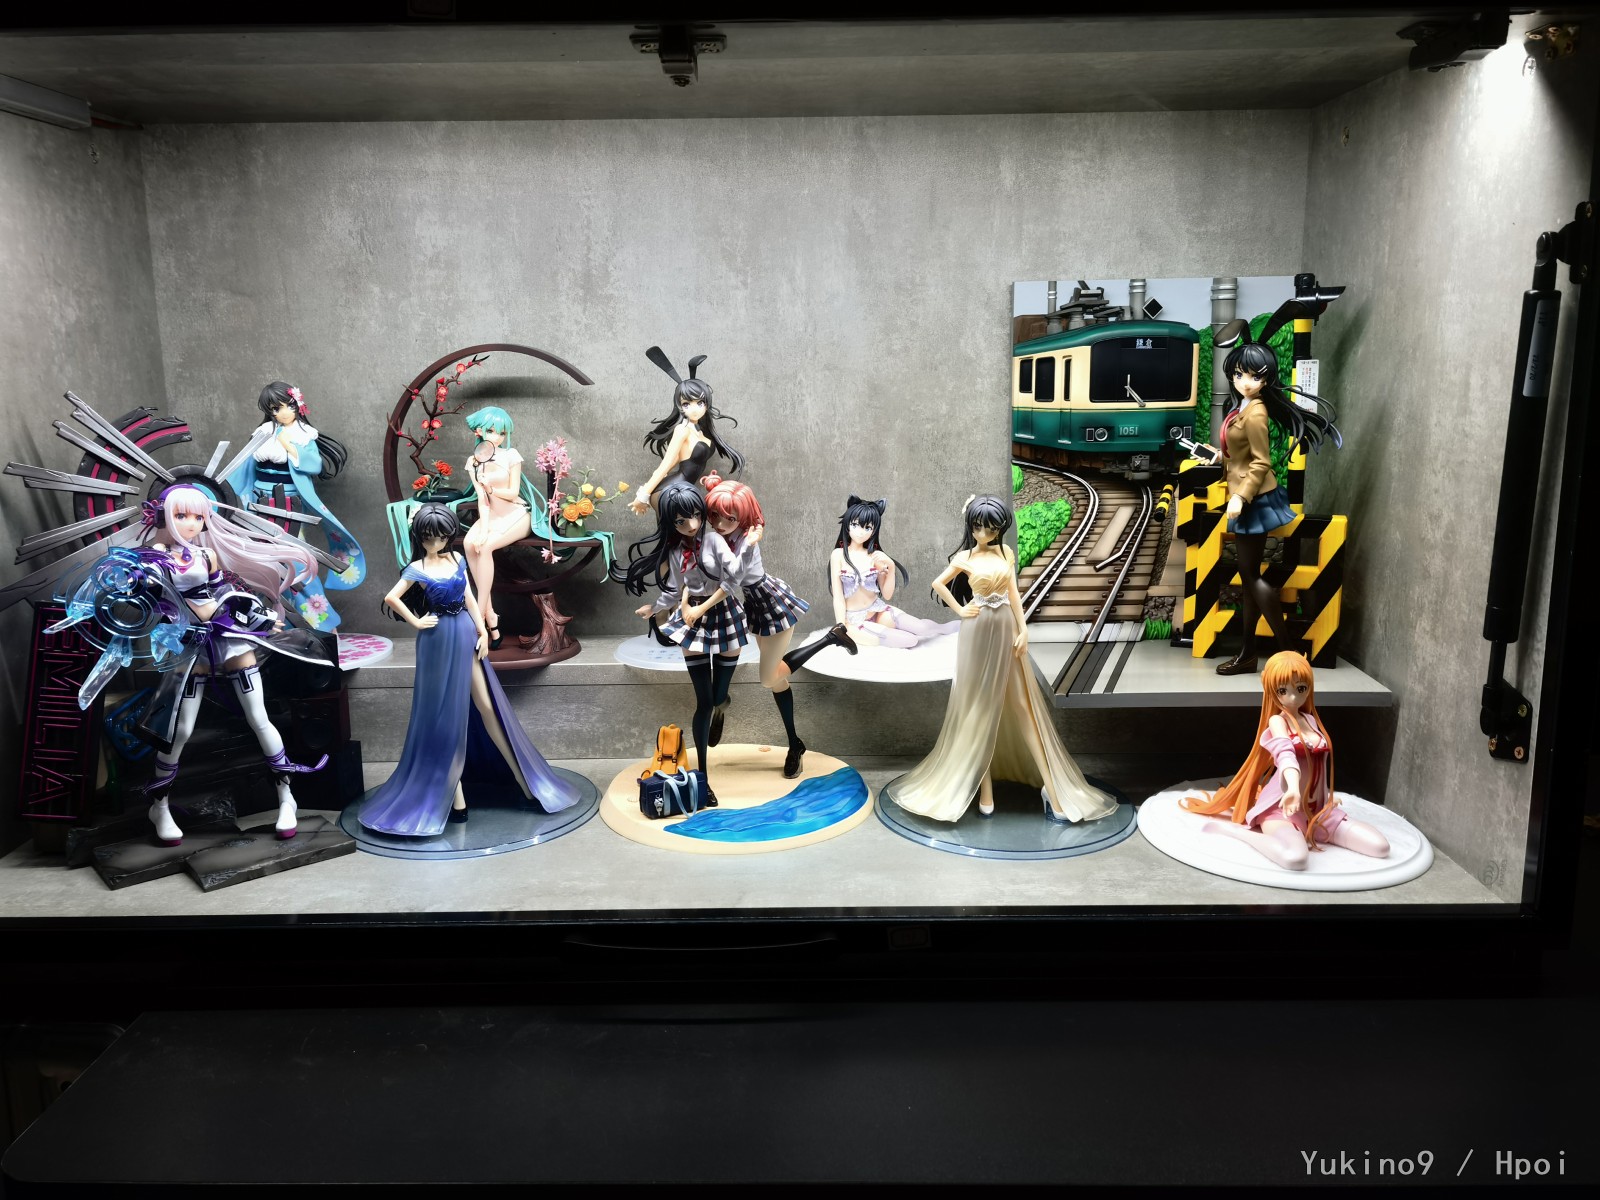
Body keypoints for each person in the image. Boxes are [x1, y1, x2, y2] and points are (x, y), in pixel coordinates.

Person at [53, 484, 333, 845]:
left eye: (198, 517)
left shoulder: (205, 555)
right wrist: (135, 578)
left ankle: (286, 797)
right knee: (180, 729)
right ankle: (160, 805)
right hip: (189, 645)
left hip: (228, 636)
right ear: (163, 516)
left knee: (259, 718)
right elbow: (140, 601)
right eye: (182, 515)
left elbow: (221, 591)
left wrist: (257, 616)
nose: (191, 523)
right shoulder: (150, 560)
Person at [889, 495, 1116, 824]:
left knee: (1023, 706)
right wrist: (961, 609)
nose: (984, 533)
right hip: (977, 630)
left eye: (991, 528)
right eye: (978, 527)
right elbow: (938, 583)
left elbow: (1013, 595)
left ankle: (1052, 789)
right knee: (980, 705)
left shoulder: (1005, 552)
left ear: (1000, 529)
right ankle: (985, 788)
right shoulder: (965, 557)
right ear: (970, 526)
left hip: (1006, 627)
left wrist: (1023, 630)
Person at [358, 504, 578, 836]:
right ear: (419, 537)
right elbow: (391, 597)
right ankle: (455, 795)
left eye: (441, 537)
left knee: (487, 705)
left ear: (449, 536)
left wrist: (483, 632)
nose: (435, 543)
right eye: (428, 537)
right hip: (436, 639)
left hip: (464, 632)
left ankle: (524, 781)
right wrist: (416, 621)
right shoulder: (417, 568)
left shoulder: (457, 559)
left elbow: (470, 598)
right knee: (446, 714)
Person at [1201, 312, 1341, 675]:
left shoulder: (1257, 412)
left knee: (1251, 577)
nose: (1244, 382)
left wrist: (1240, 497)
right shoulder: (1242, 407)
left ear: (1266, 379)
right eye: (1239, 374)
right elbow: (1241, 455)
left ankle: (1289, 653)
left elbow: (1262, 462)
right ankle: (1249, 654)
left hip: (1255, 500)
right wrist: (1218, 456)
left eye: (1254, 376)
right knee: (1250, 579)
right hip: (1248, 498)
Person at [1181, 650, 1388, 869]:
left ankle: (1314, 823)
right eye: (1283, 690)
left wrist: (1325, 796)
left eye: (1301, 688)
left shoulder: (1310, 720)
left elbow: (1319, 763)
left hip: (1317, 810)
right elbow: (1286, 756)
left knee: (1380, 847)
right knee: (1295, 858)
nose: (1293, 698)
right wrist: (1293, 789)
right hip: (1282, 809)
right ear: (1272, 691)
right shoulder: (1277, 722)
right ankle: (1236, 833)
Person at [612, 483, 746, 798]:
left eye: (696, 515)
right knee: (703, 702)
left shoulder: (714, 540)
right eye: (681, 521)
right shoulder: (675, 552)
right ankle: (703, 778)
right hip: (692, 622)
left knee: (717, 697)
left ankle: (722, 705)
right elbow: (673, 590)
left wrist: (699, 606)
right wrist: (655, 607)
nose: (692, 525)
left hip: (723, 614)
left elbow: (733, 578)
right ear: (671, 523)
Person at [225, 380, 364, 631]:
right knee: (263, 564)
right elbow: (242, 470)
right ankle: (277, 625)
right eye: (275, 409)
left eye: (288, 406)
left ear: (297, 404)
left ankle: (323, 623)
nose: (283, 412)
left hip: (289, 506)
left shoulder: (303, 434)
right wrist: (218, 491)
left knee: (297, 561)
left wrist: (288, 445)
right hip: (257, 504)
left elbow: (313, 464)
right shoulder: (264, 433)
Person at [701, 473, 813, 776]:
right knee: (775, 680)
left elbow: (732, 578)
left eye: (729, 518)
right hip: (754, 605)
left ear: (743, 516)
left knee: (767, 679)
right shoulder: (721, 535)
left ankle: (830, 639)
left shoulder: (747, 540)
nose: (720, 523)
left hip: (771, 603)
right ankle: (794, 744)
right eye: (715, 516)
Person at [828, 495, 959, 649]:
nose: (861, 532)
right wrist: (841, 627)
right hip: (854, 622)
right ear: (847, 524)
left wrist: (890, 566)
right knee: (911, 641)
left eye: (867, 527)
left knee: (922, 629)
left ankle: (942, 628)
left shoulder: (874, 555)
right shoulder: (838, 555)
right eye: (855, 525)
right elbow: (838, 597)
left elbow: (887, 594)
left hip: (878, 610)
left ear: (873, 530)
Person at [627, 347, 744, 514]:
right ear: (680, 406)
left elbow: (675, 460)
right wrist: (643, 495)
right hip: (673, 490)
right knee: (689, 524)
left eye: (700, 403)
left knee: (694, 524)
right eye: (686, 404)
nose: (694, 409)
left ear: (707, 403)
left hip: (684, 490)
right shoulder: (682, 430)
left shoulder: (701, 431)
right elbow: (665, 465)